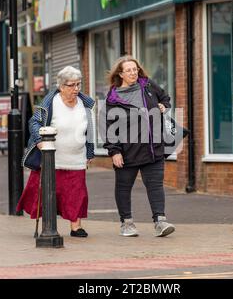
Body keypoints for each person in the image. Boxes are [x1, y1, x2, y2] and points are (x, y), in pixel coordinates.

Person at [103, 55, 175, 238]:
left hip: (153, 148)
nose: (133, 73)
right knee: (124, 187)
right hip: (127, 152)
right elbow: (109, 127)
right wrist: (114, 151)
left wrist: (163, 106)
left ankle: (160, 221)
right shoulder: (113, 98)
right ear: (120, 74)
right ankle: (126, 223)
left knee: (155, 185)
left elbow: (166, 98)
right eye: (128, 70)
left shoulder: (148, 86)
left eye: (135, 69)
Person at [18, 66, 95, 238]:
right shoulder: (50, 103)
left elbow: (90, 131)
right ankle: (49, 226)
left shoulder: (85, 104)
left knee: (77, 193)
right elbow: (34, 123)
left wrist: (89, 153)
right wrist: (39, 141)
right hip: (53, 157)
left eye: (78, 84)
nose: (76, 89)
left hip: (76, 157)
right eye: (72, 85)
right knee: (50, 193)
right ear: (61, 86)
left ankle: (76, 227)